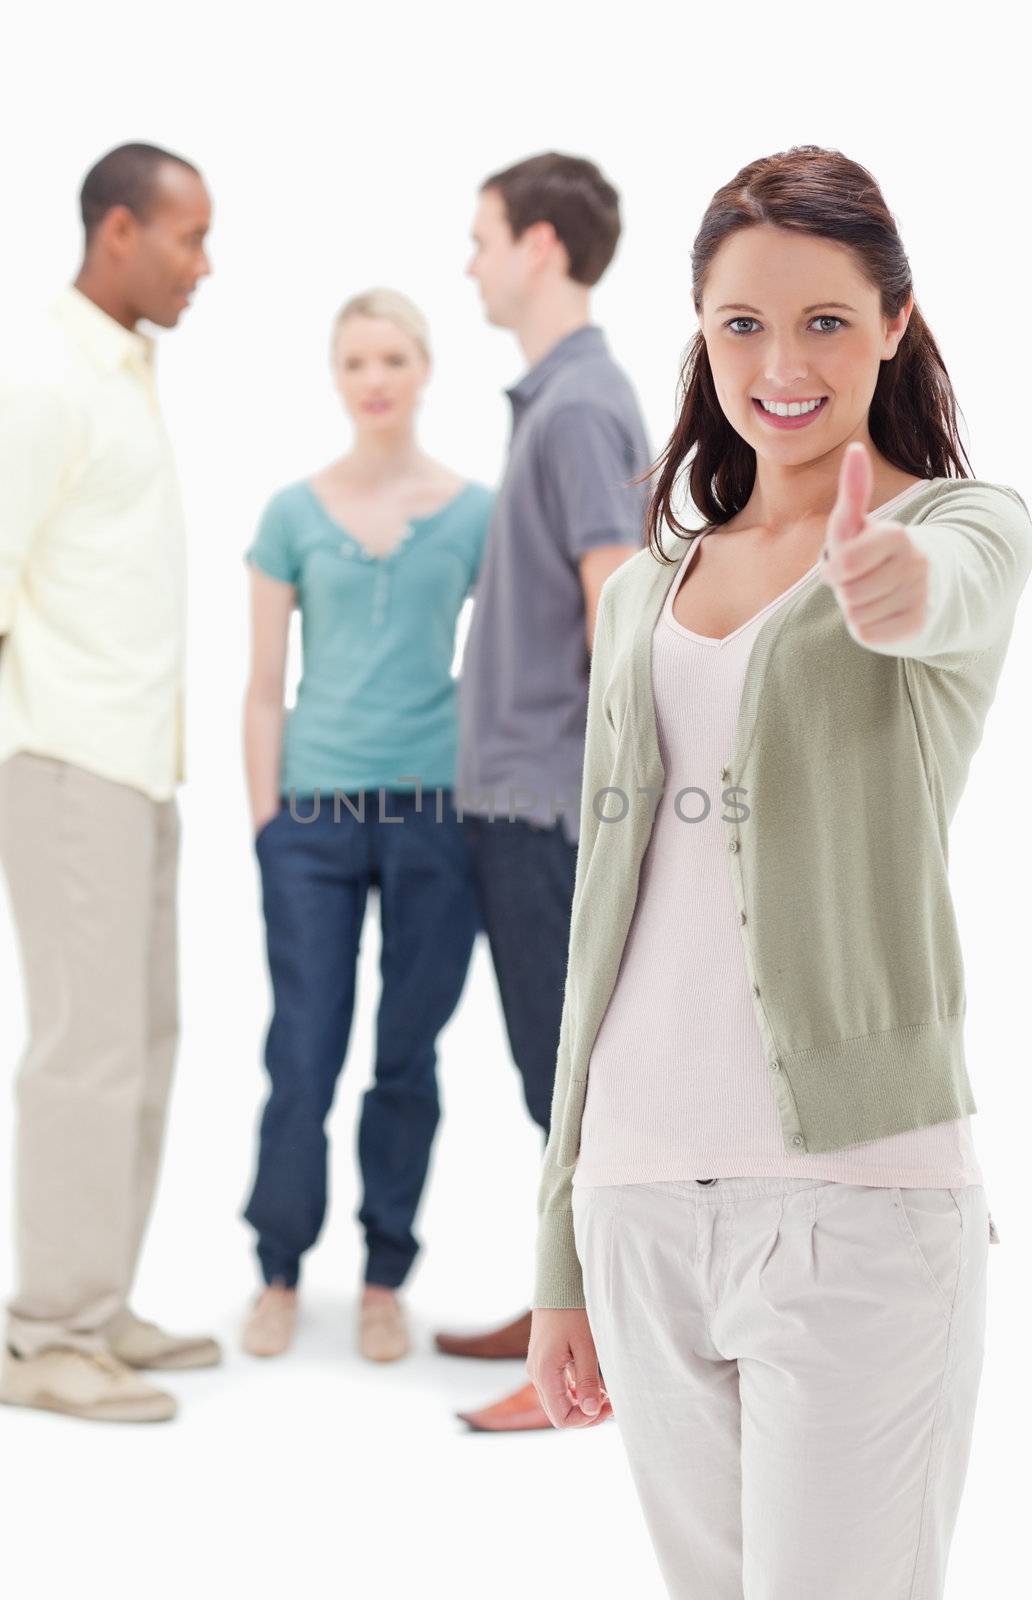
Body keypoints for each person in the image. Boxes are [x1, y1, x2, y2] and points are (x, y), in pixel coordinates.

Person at [527, 144, 1032, 1597]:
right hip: (633, 1201)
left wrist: (888, 589)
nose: (781, 362)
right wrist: (560, 1240)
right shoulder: (641, 591)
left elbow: (952, 598)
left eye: (825, 321)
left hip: (858, 1208)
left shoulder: (958, 526)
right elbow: (595, 935)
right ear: (701, 329)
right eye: (742, 322)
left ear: (895, 323)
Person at [0, 142, 218, 1424]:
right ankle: (47, 1336)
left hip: (137, 763)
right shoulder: (44, 372)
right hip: (66, 758)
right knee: (85, 1053)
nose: (205, 264)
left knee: (141, 1040)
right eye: (190, 238)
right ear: (120, 229)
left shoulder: (123, 371)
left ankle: (96, 1301)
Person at [433, 153, 651, 1431]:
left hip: (549, 811)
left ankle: (598, 1351)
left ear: (543, 247)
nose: (469, 260)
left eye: (481, 236)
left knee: (569, 1084)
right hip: (509, 801)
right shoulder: (555, 400)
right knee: (544, 1076)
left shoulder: (577, 407)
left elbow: (617, 626)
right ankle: (565, 1302)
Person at [240, 289, 492, 1363]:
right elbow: (262, 687)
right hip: (313, 817)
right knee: (304, 1050)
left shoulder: (477, 512)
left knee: (407, 1052)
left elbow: (518, 663)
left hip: (437, 813)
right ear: (337, 378)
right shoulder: (292, 514)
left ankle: (385, 1274)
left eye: (393, 356)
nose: (375, 378)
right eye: (355, 361)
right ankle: (279, 1269)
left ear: (425, 368)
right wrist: (266, 825)